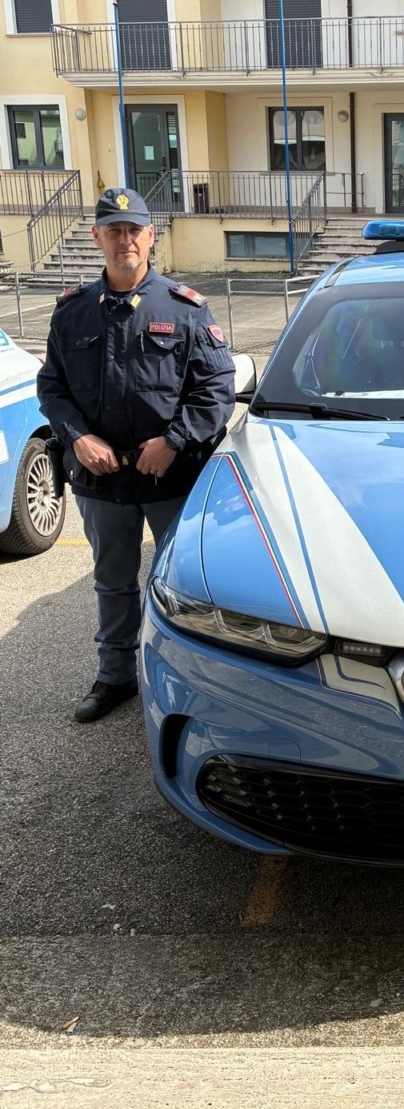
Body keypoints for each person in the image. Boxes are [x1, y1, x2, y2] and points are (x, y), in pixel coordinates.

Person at [37, 187, 236, 722]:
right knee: (112, 582)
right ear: (97, 237)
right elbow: (52, 387)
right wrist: (78, 437)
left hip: (171, 476)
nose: (124, 239)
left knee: (185, 586)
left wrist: (174, 441)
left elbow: (216, 388)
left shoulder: (184, 308)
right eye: (114, 230)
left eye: (134, 230)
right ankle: (116, 676)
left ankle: (188, 682)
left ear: (150, 236)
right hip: (100, 479)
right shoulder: (72, 313)